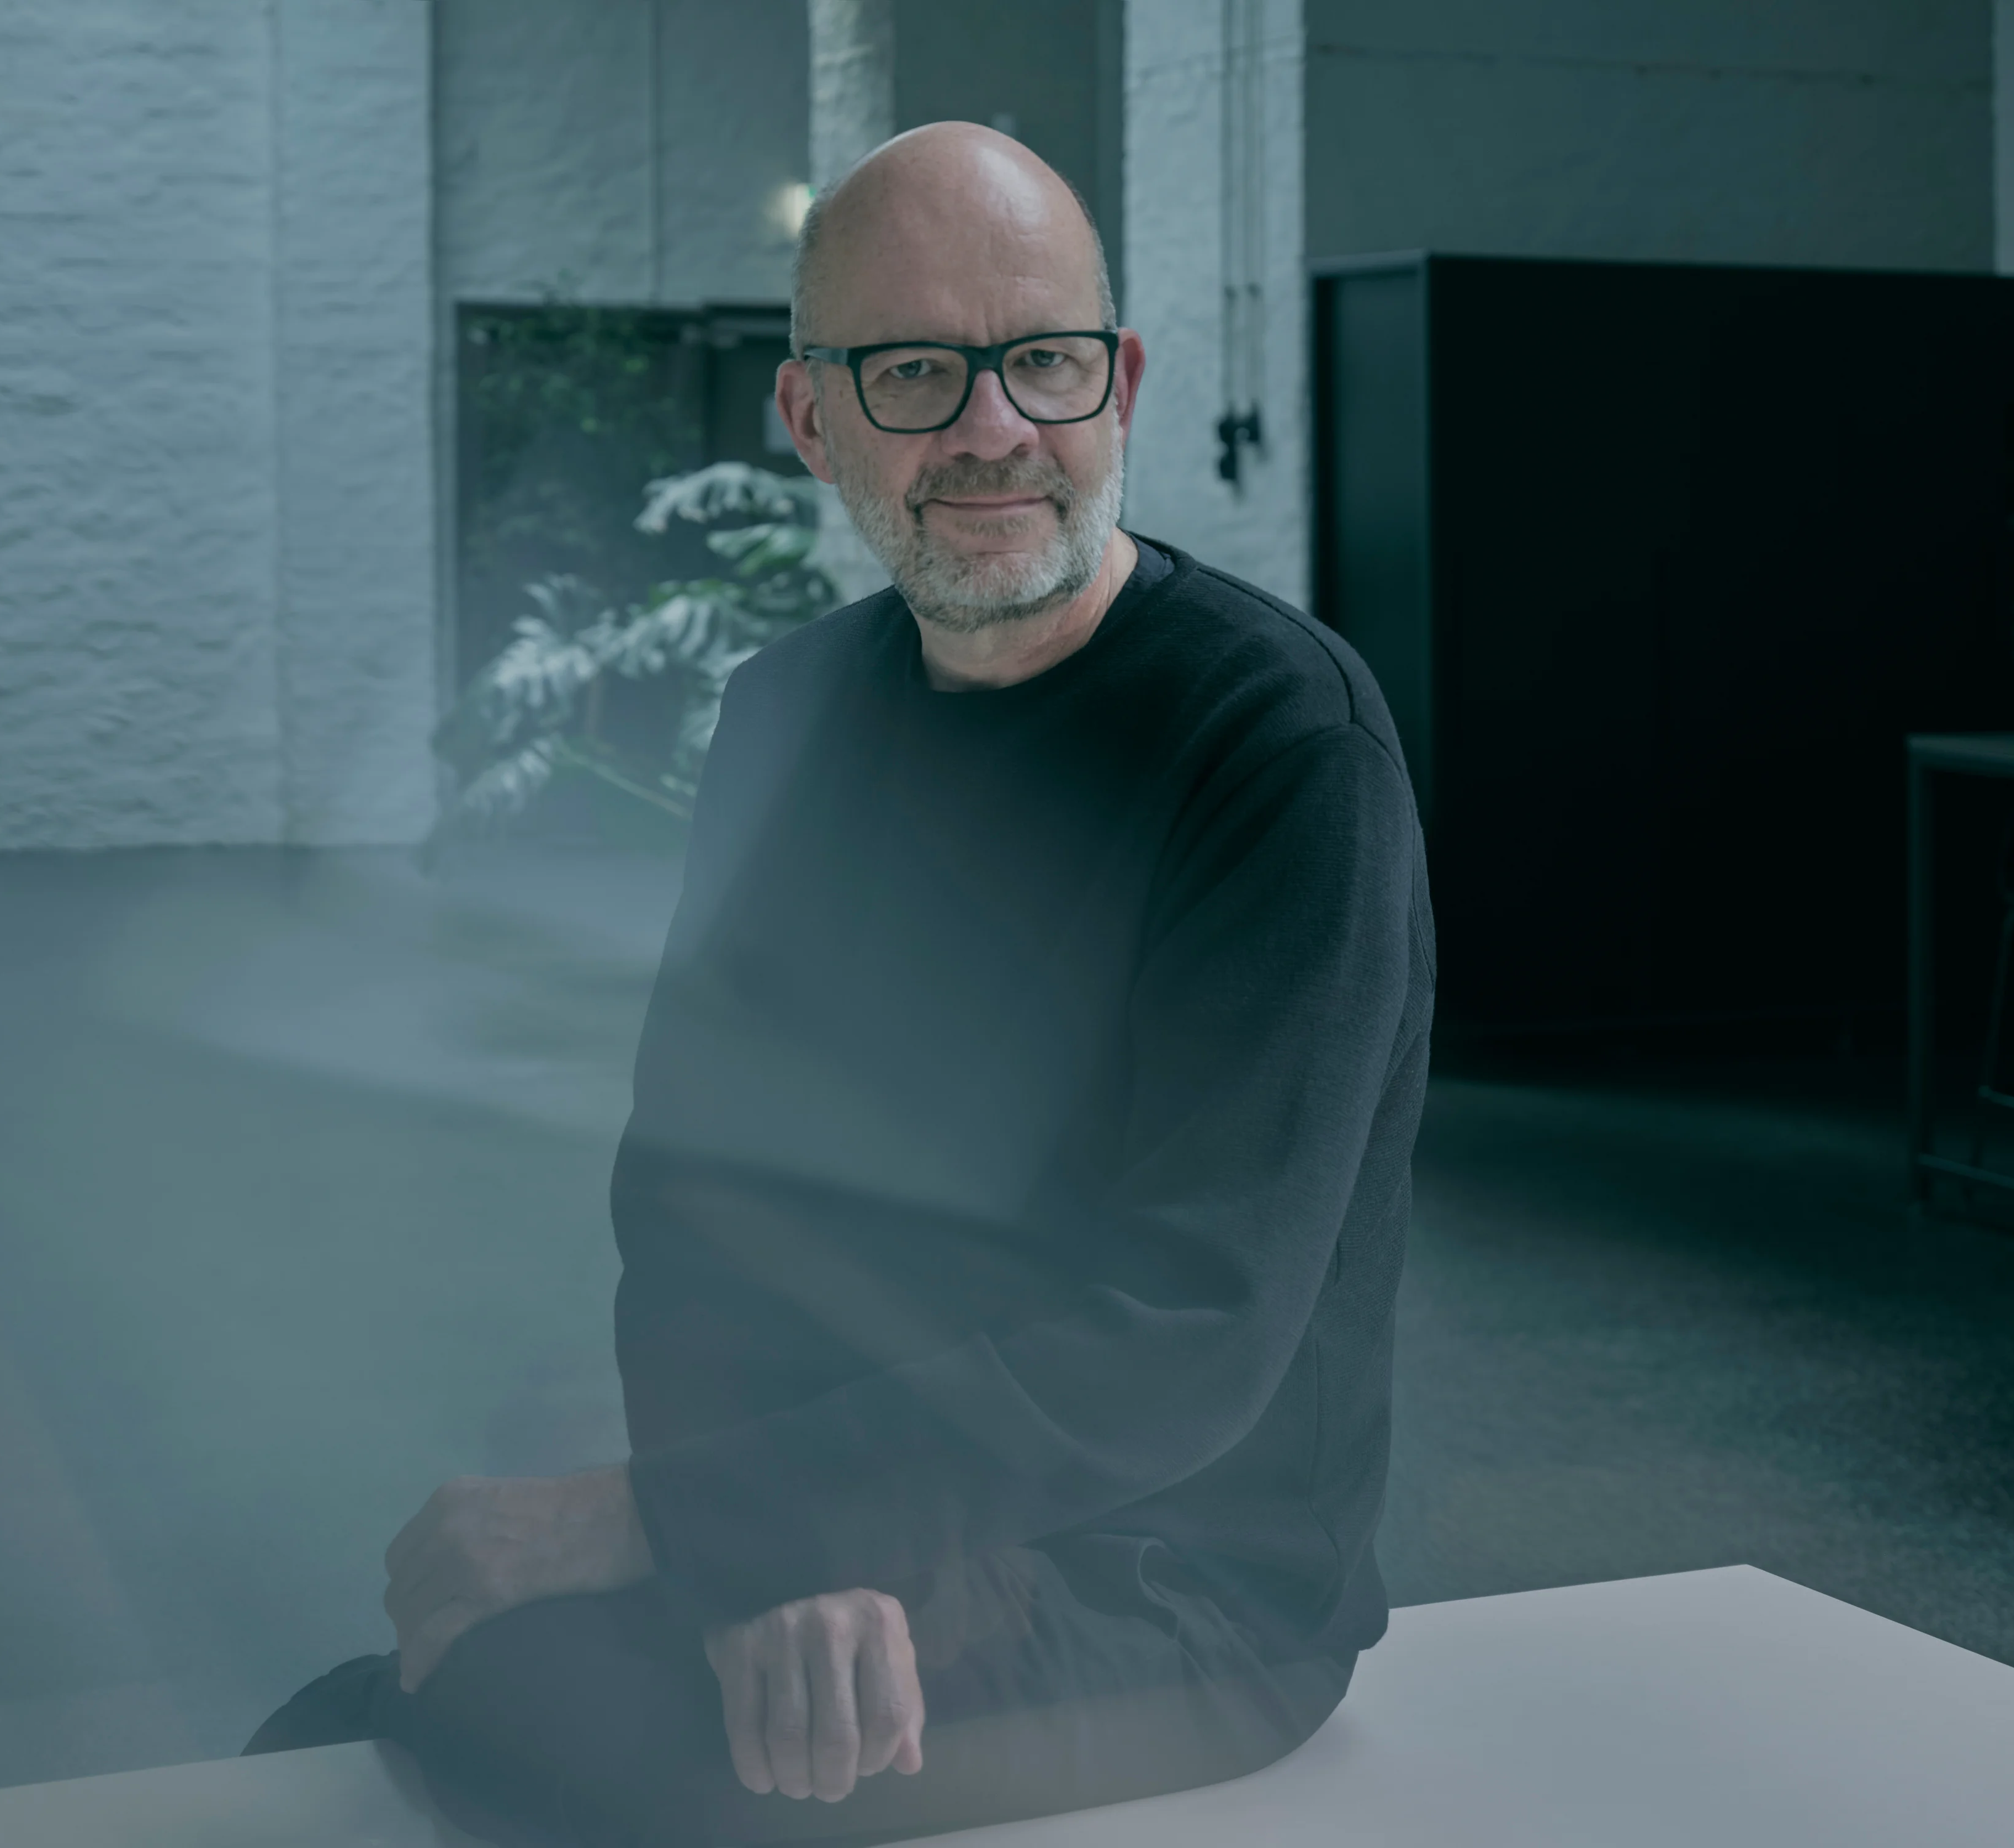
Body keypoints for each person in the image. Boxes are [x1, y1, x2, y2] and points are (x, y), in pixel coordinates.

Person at [248, 121, 1434, 1847]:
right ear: (812, 419)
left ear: (1120, 386)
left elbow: (1183, 1333)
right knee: (469, 1665)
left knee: (517, 1686)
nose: (994, 427)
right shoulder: (787, 713)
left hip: (1170, 1580)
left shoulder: (1278, 744)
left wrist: (682, 1524)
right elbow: (697, 1200)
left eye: (1044, 361)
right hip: (854, 1506)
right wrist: (773, 1552)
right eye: (915, 372)